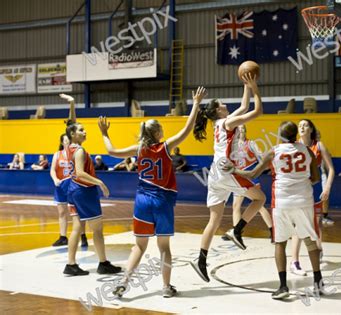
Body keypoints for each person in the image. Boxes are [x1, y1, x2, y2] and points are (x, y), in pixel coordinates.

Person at [99, 86, 206, 298]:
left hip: (142, 201)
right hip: (162, 201)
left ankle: (123, 282)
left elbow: (111, 151)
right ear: (157, 133)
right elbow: (187, 128)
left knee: (139, 246)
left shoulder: (138, 149)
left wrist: (104, 133)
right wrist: (195, 104)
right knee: (164, 247)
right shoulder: (165, 147)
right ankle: (166, 287)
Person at [223, 121, 323, 300]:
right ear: (295, 135)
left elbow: (253, 174)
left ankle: (283, 286)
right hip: (304, 200)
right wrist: (299, 182)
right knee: (310, 241)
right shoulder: (308, 151)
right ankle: (318, 283)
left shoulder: (273, 152)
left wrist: (234, 170)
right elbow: (315, 178)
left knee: (280, 243)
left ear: (281, 136)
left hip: (282, 202)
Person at [191, 74, 266, 283]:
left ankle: (201, 261)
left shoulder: (221, 123)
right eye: (221, 103)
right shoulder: (227, 122)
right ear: (217, 110)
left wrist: (246, 86)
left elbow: (244, 106)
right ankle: (237, 230)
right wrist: (256, 88)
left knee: (213, 220)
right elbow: (257, 111)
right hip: (226, 171)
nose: (225, 104)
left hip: (215, 173)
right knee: (260, 199)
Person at [64, 122, 121, 276]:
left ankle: (71, 264)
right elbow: (81, 173)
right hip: (84, 191)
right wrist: (100, 183)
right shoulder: (80, 150)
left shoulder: (68, 148)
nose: (85, 131)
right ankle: (103, 263)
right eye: (81, 130)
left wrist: (71, 103)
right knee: (97, 229)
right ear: (73, 134)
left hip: (72, 189)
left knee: (77, 228)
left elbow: (69, 125)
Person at [289, 119, 335, 277]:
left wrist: (327, 187)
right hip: (299, 189)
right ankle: (294, 262)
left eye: (305, 124)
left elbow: (331, 170)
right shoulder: (293, 145)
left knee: (316, 222)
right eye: (299, 125)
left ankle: (319, 247)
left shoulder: (319, 145)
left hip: (314, 188)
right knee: (298, 225)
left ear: (311, 129)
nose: (301, 126)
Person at [223, 125, 273, 242]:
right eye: (239, 129)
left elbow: (261, 158)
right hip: (238, 179)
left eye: (243, 129)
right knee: (236, 206)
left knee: (259, 206)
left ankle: (272, 230)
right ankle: (236, 232)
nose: (241, 131)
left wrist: (260, 169)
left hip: (250, 177)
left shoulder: (251, 143)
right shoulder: (233, 145)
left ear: (246, 131)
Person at [50, 134, 88, 247]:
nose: (68, 143)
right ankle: (63, 237)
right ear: (62, 143)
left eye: (69, 141)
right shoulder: (57, 154)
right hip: (61, 186)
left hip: (74, 186)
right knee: (62, 213)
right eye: (66, 141)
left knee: (78, 213)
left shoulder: (77, 153)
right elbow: (52, 170)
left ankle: (83, 235)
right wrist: (55, 179)